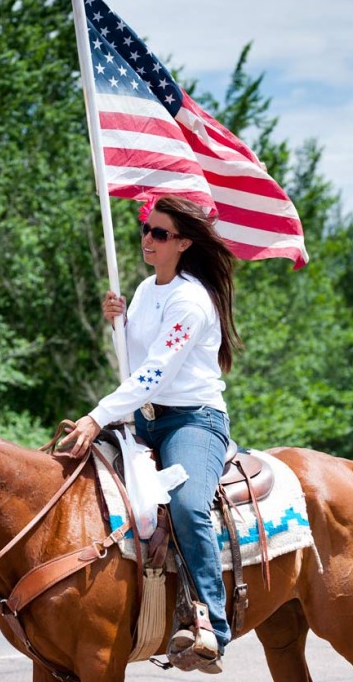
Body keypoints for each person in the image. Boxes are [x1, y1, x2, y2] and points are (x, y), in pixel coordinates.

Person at [59, 195, 241, 673]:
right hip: (145, 420)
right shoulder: (144, 290)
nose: (147, 239)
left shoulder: (191, 300)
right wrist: (118, 320)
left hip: (192, 420)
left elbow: (156, 373)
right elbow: (137, 360)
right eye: (146, 229)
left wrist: (98, 416)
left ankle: (212, 627)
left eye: (159, 233)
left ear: (182, 242)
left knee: (186, 505)